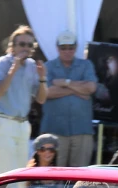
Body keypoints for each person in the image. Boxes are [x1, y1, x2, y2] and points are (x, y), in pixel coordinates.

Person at [0, 25, 47, 174]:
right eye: (22, 44)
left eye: (29, 45)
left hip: (23, 125)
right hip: (4, 122)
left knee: (21, 179)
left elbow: (41, 99)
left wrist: (42, 79)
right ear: (12, 47)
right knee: (7, 176)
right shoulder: (1, 63)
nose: (26, 48)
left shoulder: (32, 65)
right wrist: (13, 70)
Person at [41, 30, 97, 167]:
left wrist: (65, 83)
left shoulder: (86, 65)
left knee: (80, 176)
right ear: (57, 48)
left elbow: (91, 88)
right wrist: (79, 90)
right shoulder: (48, 66)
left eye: (70, 47)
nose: (67, 51)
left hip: (81, 129)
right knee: (53, 174)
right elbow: (46, 93)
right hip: (54, 130)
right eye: (63, 48)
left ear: (76, 47)